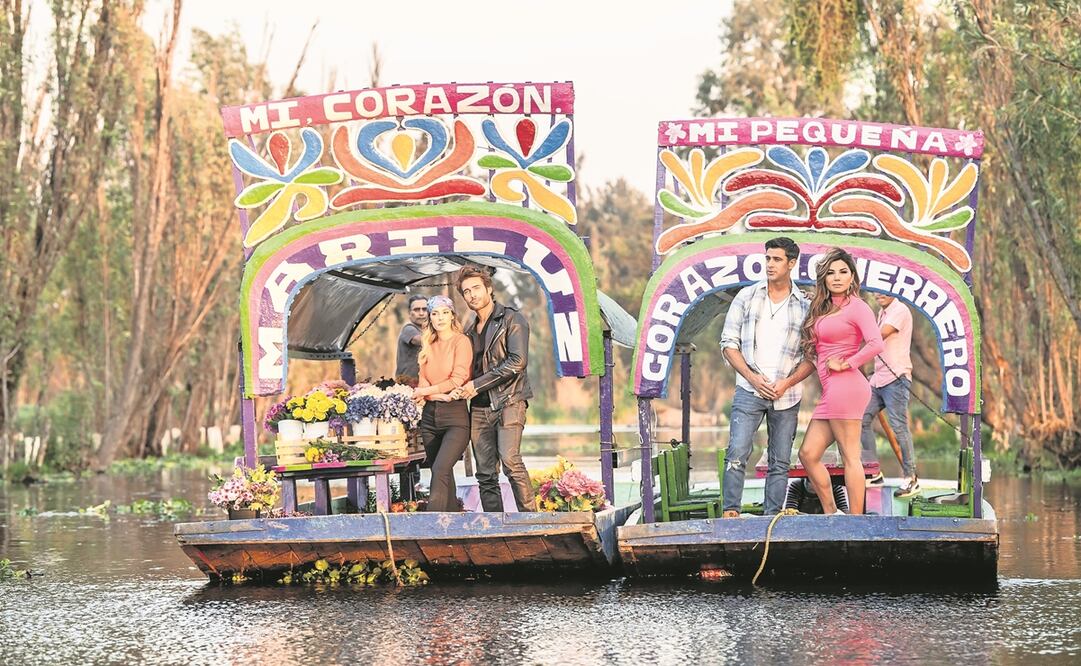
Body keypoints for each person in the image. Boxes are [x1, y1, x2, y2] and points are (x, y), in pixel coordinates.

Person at [719, 237, 815, 517]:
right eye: (768, 258)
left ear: (792, 263)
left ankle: (772, 516)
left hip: (787, 395)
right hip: (749, 391)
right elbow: (728, 344)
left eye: (777, 259)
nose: (770, 264)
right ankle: (731, 512)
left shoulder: (805, 306)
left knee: (780, 461)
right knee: (736, 452)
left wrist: (786, 383)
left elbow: (812, 357)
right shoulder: (747, 297)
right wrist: (752, 377)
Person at [797, 247, 885, 515]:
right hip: (831, 389)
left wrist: (848, 362)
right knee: (808, 454)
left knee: (850, 457)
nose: (836, 277)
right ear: (824, 278)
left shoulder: (858, 307)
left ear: (852, 277)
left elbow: (876, 343)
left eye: (843, 272)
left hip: (847, 385)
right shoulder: (822, 307)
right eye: (831, 273)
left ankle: (855, 521)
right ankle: (832, 514)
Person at [450, 265, 535, 512]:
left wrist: (476, 385)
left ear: (489, 288)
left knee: (510, 461)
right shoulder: (468, 331)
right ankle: (494, 524)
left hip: (509, 400)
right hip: (478, 408)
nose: (472, 295)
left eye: (476, 288)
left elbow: (517, 362)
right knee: (485, 473)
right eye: (466, 291)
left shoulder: (511, 319)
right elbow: (465, 371)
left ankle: (530, 520)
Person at [413, 295, 472, 512]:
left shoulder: (461, 341)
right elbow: (423, 382)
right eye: (435, 313)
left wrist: (427, 392)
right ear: (430, 317)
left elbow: (458, 379)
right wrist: (435, 394)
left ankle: (431, 523)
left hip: (454, 417)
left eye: (444, 312)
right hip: (429, 418)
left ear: (452, 315)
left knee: (439, 468)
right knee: (443, 472)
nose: (440, 318)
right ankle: (451, 519)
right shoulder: (428, 344)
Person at [860, 293, 920, 497]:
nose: (878, 295)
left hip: (896, 378)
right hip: (878, 379)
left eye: (883, 290)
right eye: (876, 291)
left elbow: (877, 338)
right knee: (862, 418)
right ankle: (872, 470)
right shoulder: (882, 312)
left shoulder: (900, 310)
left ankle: (911, 477)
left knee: (898, 427)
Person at [395, 294, 428, 383]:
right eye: (417, 310)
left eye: (424, 309)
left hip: (421, 382)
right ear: (409, 313)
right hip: (406, 383)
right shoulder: (408, 328)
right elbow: (419, 340)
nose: (421, 313)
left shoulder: (427, 331)